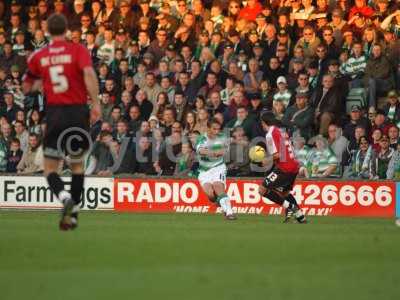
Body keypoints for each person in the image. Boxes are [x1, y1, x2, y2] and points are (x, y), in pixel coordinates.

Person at [22, 14, 100, 231]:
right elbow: (89, 74)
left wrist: (42, 82)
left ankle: (64, 196)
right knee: (77, 165)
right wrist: (95, 104)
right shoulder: (78, 50)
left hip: (55, 114)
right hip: (77, 112)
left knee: (50, 168)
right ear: (66, 30)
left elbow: (27, 86)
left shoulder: (40, 56)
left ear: (47, 31)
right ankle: (73, 215)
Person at [258, 111, 306, 224]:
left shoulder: (270, 133)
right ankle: (301, 217)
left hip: (285, 168)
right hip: (294, 165)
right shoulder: (281, 131)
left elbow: (279, 154)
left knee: (262, 189)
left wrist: (266, 160)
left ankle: (290, 207)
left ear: (263, 122)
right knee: (284, 193)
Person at [195, 119, 236, 220]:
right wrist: (213, 153)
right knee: (210, 195)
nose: (216, 131)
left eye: (218, 129)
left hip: (218, 167)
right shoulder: (202, 139)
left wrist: (222, 151)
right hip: (204, 171)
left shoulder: (222, 137)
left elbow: (225, 149)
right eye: (214, 129)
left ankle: (229, 212)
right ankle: (221, 202)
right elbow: (200, 150)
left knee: (218, 186)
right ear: (208, 128)